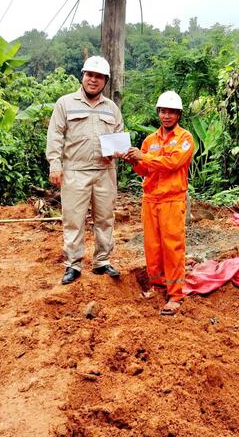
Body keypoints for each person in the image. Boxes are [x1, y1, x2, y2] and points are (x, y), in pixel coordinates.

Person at [46, 55, 123, 285]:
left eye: (99, 77)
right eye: (90, 75)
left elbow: (118, 138)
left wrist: (118, 150)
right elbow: (55, 135)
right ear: (83, 76)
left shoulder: (112, 109)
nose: (93, 80)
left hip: (104, 171)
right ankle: (73, 264)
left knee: (105, 218)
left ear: (105, 81)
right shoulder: (65, 104)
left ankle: (102, 261)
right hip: (75, 171)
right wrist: (55, 164)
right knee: (73, 219)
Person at [124, 91, 195, 316]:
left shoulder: (185, 139)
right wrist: (134, 161)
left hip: (172, 200)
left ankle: (175, 294)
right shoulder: (150, 140)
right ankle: (157, 285)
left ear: (178, 114)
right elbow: (144, 170)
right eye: (163, 111)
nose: (167, 115)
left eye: (171, 112)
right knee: (152, 246)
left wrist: (143, 157)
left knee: (172, 246)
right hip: (150, 199)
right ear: (158, 113)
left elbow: (173, 163)